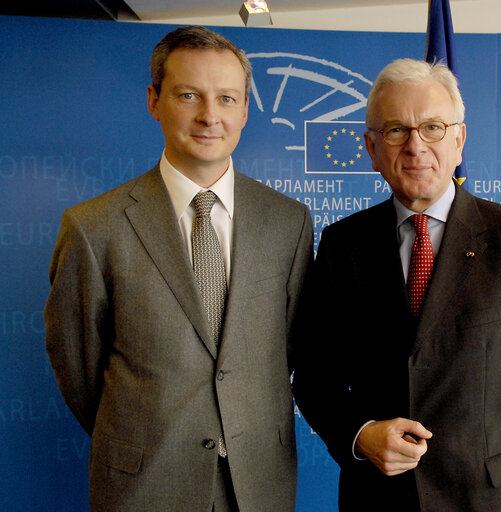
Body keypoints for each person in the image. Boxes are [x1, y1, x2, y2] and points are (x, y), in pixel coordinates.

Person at [292, 58, 501, 511]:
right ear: (371, 147)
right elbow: (313, 376)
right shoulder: (341, 244)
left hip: (491, 500)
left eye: (432, 127)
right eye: (395, 130)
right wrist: (361, 434)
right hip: (379, 499)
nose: (415, 147)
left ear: (459, 139)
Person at [44, 26, 312, 512]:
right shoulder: (92, 227)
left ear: (246, 109)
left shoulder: (288, 222)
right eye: (189, 95)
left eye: (227, 98)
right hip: (144, 484)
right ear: (154, 100)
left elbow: (291, 346)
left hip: (258, 484)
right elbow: (79, 368)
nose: (210, 116)